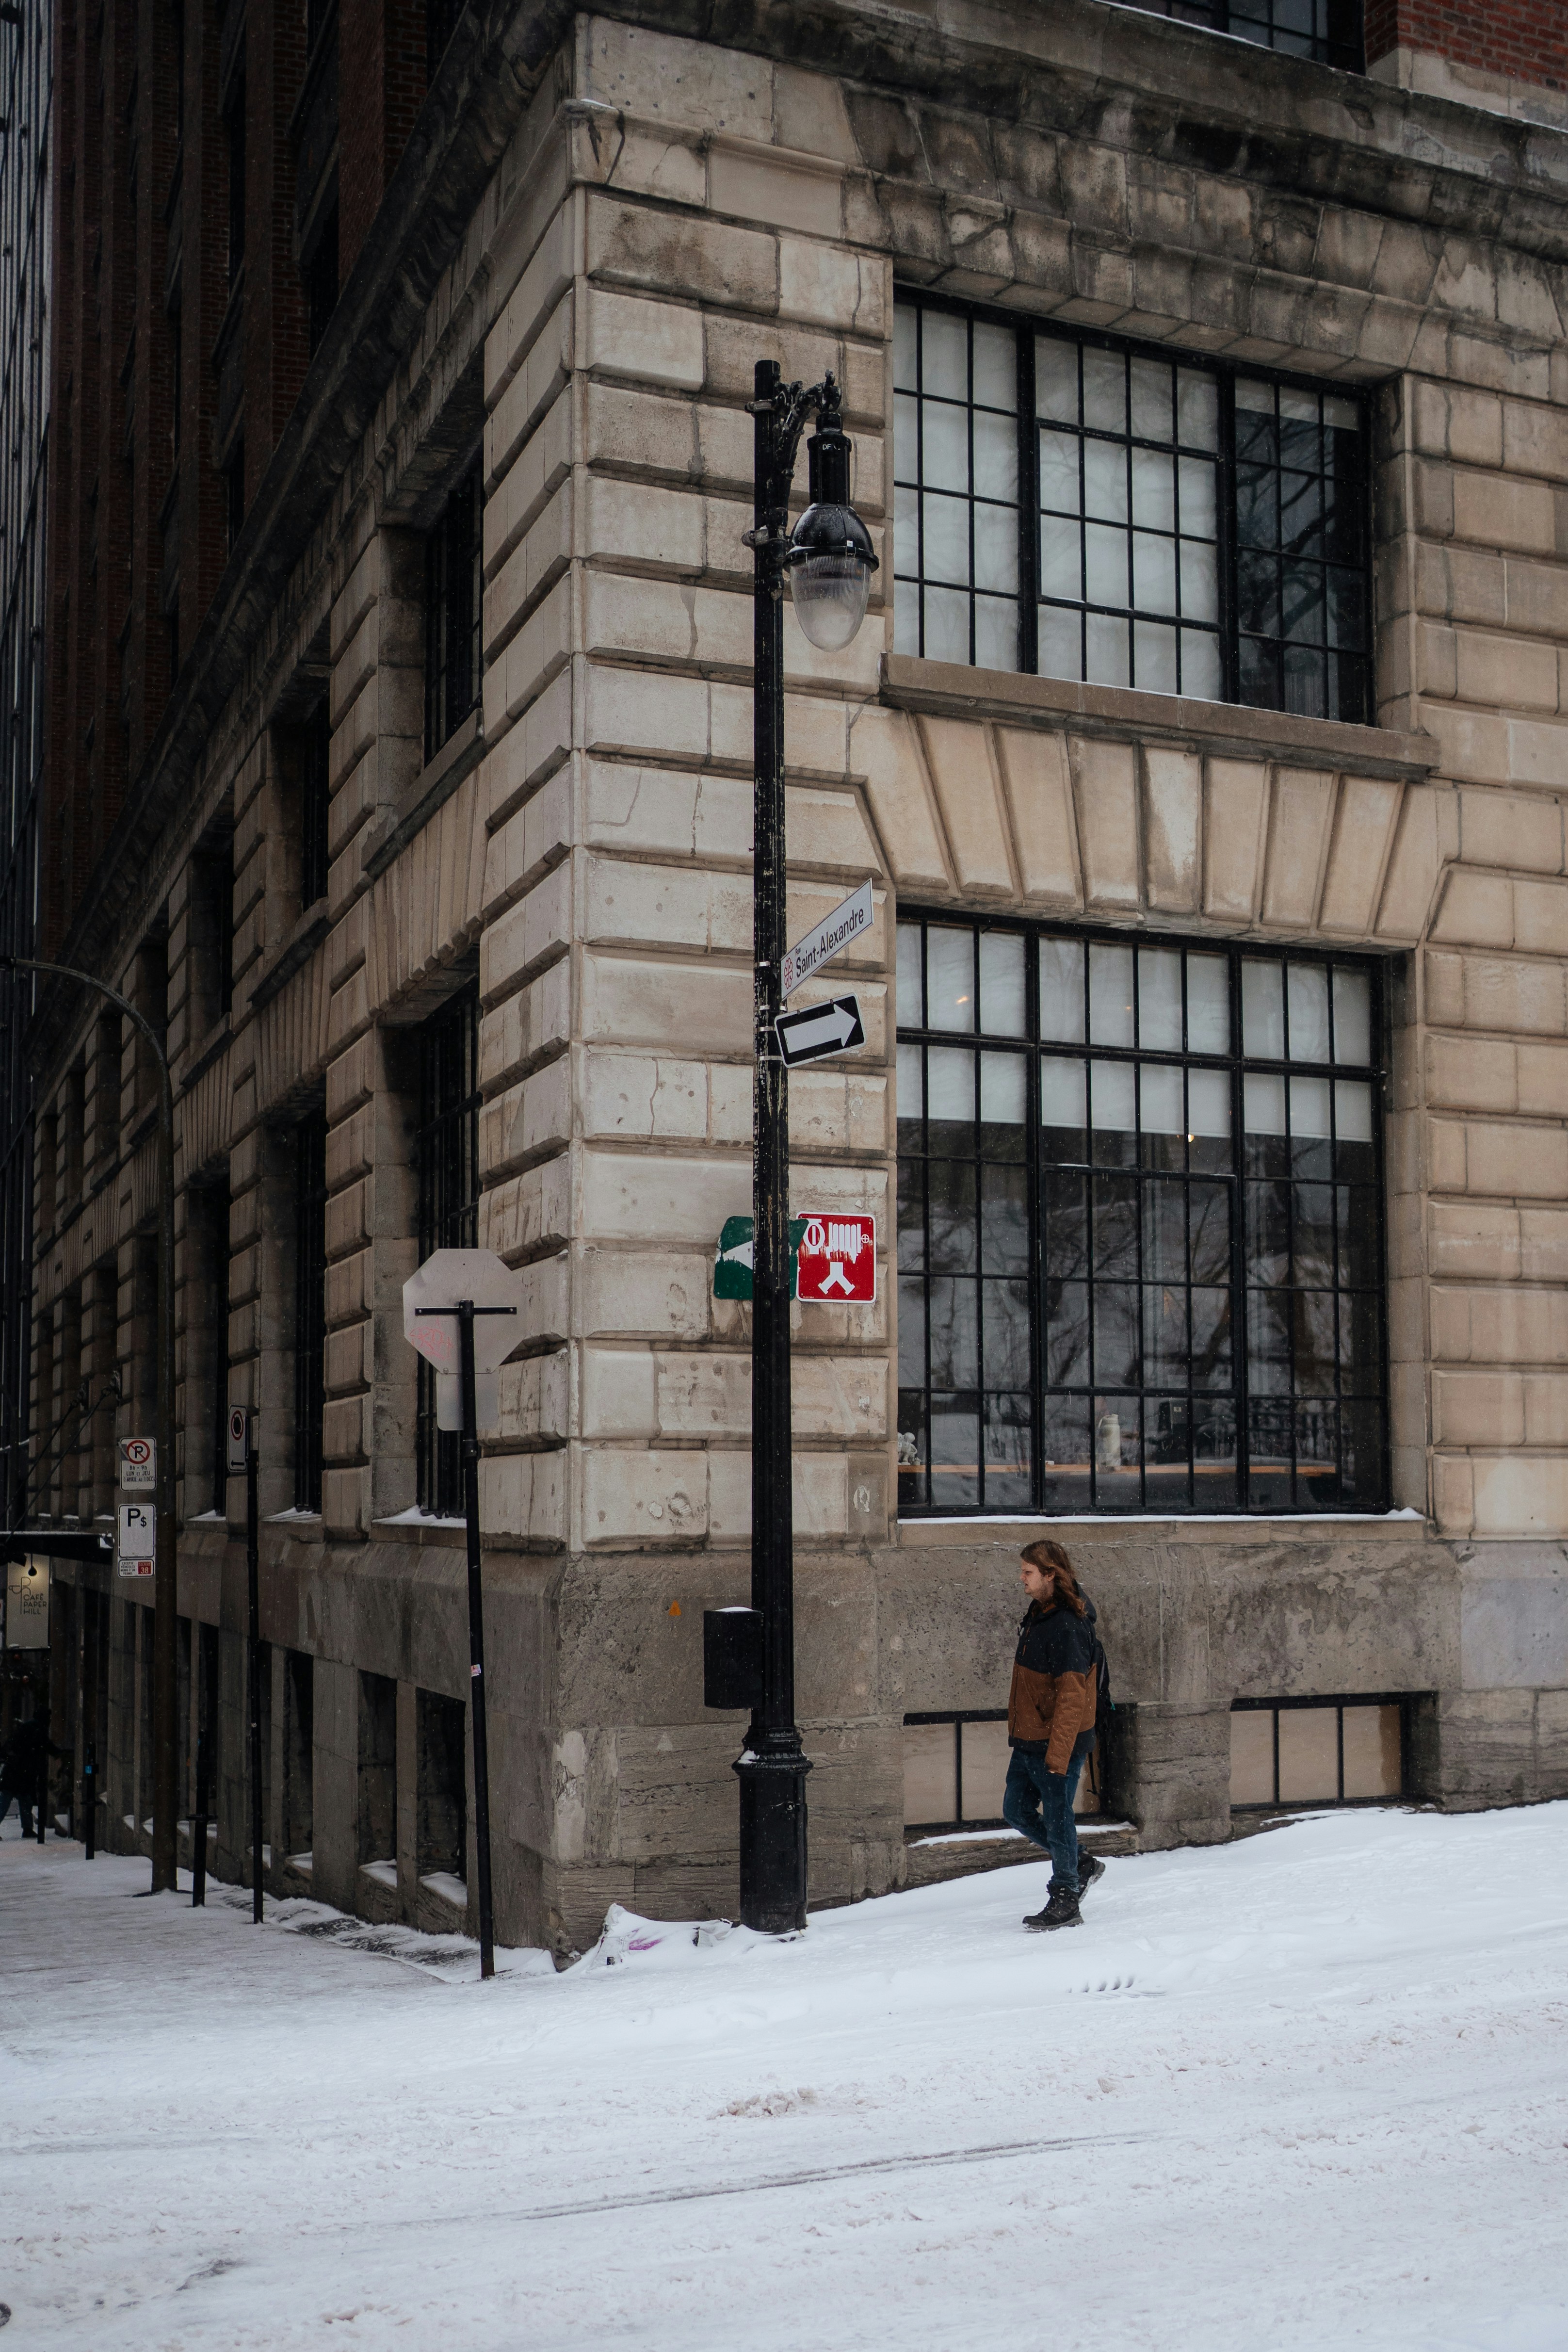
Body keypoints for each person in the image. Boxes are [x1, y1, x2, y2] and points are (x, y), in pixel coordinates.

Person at [1001, 1539, 1106, 1931]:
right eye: (1023, 1571)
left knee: (1059, 1818)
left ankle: (1065, 1896)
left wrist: (1058, 1758)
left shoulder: (1067, 1625)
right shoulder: (1040, 1611)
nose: (1022, 1579)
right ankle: (1079, 1862)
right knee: (1015, 1810)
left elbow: (1072, 1697)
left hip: (1055, 1743)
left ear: (1051, 1575)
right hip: (1028, 1736)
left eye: (1028, 1572)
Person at [0, 1715, 48, 1840]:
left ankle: (27, 1829)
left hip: (16, 1777)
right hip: (19, 1777)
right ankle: (27, 1829)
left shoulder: (19, 1738)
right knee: (17, 1802)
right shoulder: (29, 1739)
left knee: (19, 1801)